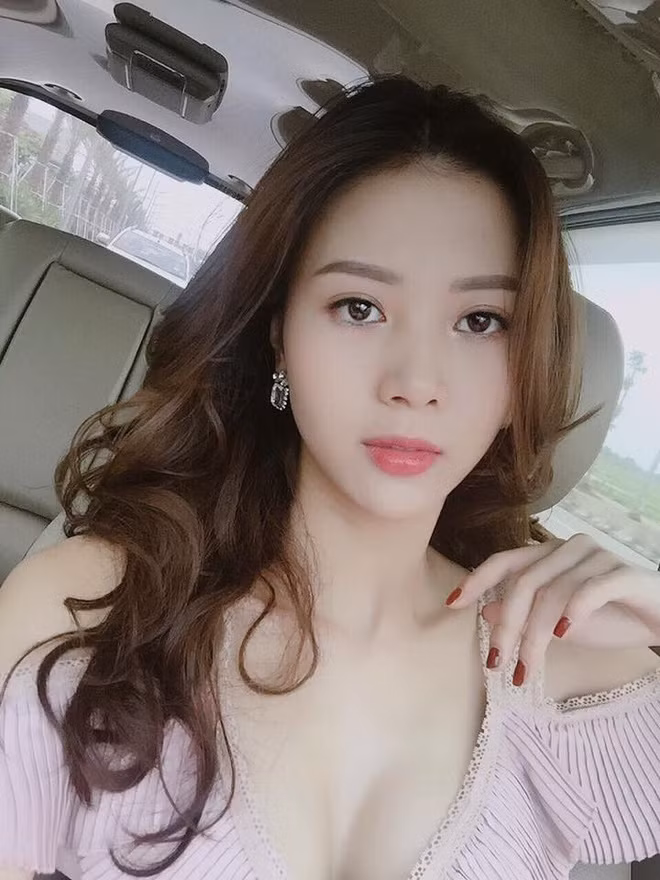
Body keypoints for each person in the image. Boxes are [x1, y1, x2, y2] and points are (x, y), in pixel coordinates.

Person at [0, 76, 659, 880]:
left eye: (480, 321)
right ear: (278, 333)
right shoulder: (83, 614)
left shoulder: (588, 677)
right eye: (359, 307)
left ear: (526, 370)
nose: (416, 382)